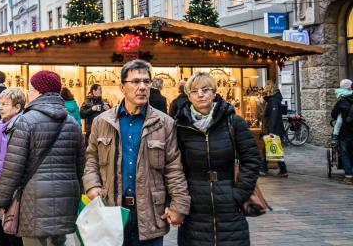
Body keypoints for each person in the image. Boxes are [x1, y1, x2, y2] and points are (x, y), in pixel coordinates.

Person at [83, 60, 189, 246]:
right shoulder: (103, 122)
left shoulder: (164, 123)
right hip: (111, 210)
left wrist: (179, 205)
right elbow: (91, 158)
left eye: (146, 82)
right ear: (122, 87)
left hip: (150, 213)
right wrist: (92, 186)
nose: (142, 87)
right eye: (136, 82)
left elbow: (173, 168)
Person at [0, 70, 84, 246]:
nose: (28, 93)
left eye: (30, 89)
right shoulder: (72, 123)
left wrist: (1, 202)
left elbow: (13, 168)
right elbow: (80, 166)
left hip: (33, 201)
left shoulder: (26, 121)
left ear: (38, 92)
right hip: (66, 200)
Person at [174, 72, 260, 246]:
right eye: (194, 91)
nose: (200, 94)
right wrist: (179, 200)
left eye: (205, 89)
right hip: (195, 203)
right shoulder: (180, 126)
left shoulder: (233, 122)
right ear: (188, 96)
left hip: (229, 202)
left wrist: (239, 194)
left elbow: (251, 159)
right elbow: (175, 166)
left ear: (214, 92)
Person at [0, 88, 25, 246]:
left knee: (11, 231)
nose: (1, 107)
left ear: (17, 107)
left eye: (5, 104)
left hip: (14, 186)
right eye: (0, 104)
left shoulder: (22, 126)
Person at [260, 80, 288, 177]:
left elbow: (273, 116)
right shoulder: (272, 100)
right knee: (271, 149)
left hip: (273, 130)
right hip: (272, 129)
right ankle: (281, 170)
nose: (264, 89)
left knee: (269, 149)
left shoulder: (273, 101)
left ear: (269, 88)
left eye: (265, 87)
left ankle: (264, 169)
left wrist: (271, 131)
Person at [331, 80, 353, 184]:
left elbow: (334, 114)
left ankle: (348, 176)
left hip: (345, 132)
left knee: (345, 153)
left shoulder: (342, 100)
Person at [330, 79, 353, 146]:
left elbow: (334, 113)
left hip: (345, 130)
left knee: (340, 118)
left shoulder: (343, 98)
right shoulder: (347, 93)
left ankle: (335, 136)